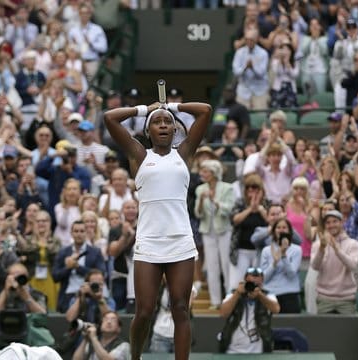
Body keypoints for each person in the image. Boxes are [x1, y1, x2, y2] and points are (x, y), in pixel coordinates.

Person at [104, 97, 211, 360]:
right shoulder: (138, 154)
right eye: (157, 122)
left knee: (180, 309)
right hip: (149, 242)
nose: (163, 125)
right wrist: (145, 109)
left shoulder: (184, 153)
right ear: (148, 131)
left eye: (168, 123)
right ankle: (136, 358)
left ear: (175, 130)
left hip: (181, 242)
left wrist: (173, 107)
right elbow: (109, 118)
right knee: (144, 311)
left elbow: (205, 111)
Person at [194, 159, 235, 309]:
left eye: (205, 171)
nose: (202, 174)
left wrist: (214, 201)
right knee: (212, 267)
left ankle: (229, 299)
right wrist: (201, 202)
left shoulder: (227, 188)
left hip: (224, 230)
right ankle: (215, 301)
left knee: (226, 264)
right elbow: (198, 214)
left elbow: (229, 209)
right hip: (207, 231)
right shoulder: (200, 189)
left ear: (214, 173)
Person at [218, 267, 280, 354]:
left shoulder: (267, 295)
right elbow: (223, 313)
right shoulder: (233, 293)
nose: (253, 286)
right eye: (251, 282)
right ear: (245, 280)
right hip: (233, 350)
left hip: (258, 351)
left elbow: (276, 309)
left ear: (262, 281)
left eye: (257, 280)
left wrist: (260, 295)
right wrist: (237, 293)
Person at [311, 210, 358, 314]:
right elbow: (315, 266)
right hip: (324, 298)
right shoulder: (318, 244)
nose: (331, 225)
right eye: (328, 222)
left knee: (347, 330)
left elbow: (352, 266)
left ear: (342, 222)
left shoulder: (353, 244)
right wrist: (322, 248)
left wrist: (337, 250)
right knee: (324, 330)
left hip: (346, 299)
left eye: (335, 221)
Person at [260, 218, 302, 313]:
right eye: (278, 227)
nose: (281, 230)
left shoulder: (297, 250)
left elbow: (291, 274)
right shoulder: (266, 250)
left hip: (290, 294)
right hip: (270, 294)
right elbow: (264, 278)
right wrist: (274, 263)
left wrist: (283, 255)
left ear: (289, 231)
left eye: (284, 227)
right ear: (274, 231)